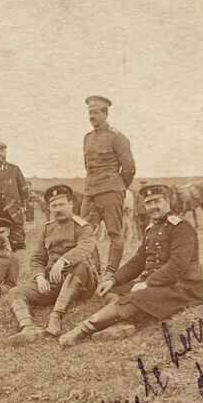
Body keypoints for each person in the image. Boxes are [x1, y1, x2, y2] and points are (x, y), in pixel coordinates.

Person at [59, 183, 203, 347]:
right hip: (158, 283)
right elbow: (138, 260)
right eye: (148, 203)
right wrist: (113, 279)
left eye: (157, 201)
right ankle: (123, 323)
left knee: (136, 297)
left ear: (167, 201)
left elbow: (177, 266)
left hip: (182, 287)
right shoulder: (152, 228)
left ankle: (81, 330)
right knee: (112, 290)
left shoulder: (181, 227)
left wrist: (148, 283)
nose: (152, 206)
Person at [8, 184, 99, 342]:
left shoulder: (83, 227)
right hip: (54, 282)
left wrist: (63, 261)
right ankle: (28, 327)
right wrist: (40, 278)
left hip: (81, 282)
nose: (58, 209)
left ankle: (56, 316)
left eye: (61, 204)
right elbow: (37, 258)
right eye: (54, 206)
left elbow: (85, 248)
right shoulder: (47, 228)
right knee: (15, 292)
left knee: (81, 264)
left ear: (71, 204)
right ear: (49, 208)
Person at [80, 95, 136, 278]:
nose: (91, 116)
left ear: (105, 113)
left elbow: (129, 168)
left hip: (111, 191)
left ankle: (110, 273)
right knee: (84, 232)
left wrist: (118, 187)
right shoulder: (87, 138)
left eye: (95, 112)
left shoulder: (117, 137)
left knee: (114, 233)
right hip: (90, 192)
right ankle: (94, 270)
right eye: (90, 113)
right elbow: (88, 167)